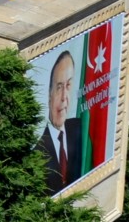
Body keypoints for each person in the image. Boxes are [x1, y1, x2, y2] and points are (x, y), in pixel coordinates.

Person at [36, 50, 85, 193]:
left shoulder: (80, 128)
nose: (64, 97)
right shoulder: (38, 150)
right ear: (49, 94)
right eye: (58, 87)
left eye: (68, 86)